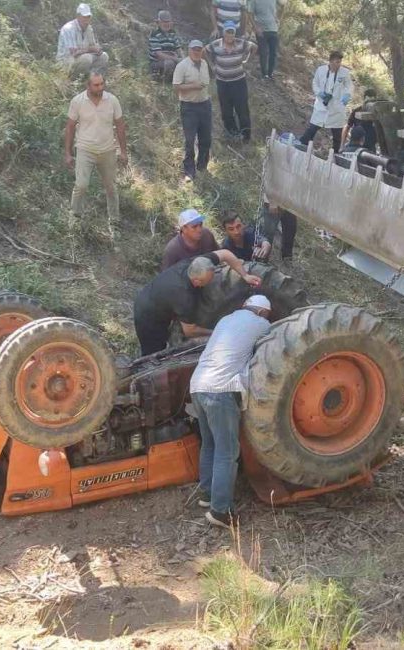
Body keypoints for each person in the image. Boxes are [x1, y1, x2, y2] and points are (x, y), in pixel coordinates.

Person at [190, 294, 273, 528]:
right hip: (221, 391)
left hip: (198, 385)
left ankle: (207, 496)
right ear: (262, 312)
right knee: (227, 452)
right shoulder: (261, 324)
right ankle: (221, 512)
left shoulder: (225, 320)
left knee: (210, 444)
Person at [133, 251, 262, 356]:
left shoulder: (199, 263)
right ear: (196, 281)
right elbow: (190, 331)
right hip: (147, 313)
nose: (212, 281)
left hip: (157, 293)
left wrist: (245, 275)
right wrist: (217, 331)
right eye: (208, 281)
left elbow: (225, 254)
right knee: (154, 354)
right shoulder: (184, 297)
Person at [65, 72, 127, 227]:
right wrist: (68, 153)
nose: (100, 87)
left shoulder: (112, 100)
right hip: (85, 149)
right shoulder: (78, 101)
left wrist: (123, 151)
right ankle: (75, 218)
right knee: (81, 185)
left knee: (111, 187)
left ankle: (114, 221)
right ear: (88, 85)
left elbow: (120, 125)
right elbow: (70, 127)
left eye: (102, 84)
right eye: (96, 85)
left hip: (107, 150)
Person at [207, 21, 256, 142]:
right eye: (228, 33)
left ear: (234, 33)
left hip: (238, 82)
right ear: (224, 33)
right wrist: (212, 65)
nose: (230, 35)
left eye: (232, 33)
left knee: (242, 108)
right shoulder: (216, 44)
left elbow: (254, 47)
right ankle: (232, 132)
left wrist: (247, 61)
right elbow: (205, 51)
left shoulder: (241, 43)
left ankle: (245, 136)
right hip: (222, 83)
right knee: (226, 109)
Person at [173, 41, 213, 182]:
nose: (197, 52)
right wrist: (193, 86)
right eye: (194, 49)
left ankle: (202, 166)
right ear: (189, 50)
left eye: (199, 49)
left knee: (206, 139)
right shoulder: (182, 66)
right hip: (189, 107)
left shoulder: (204, 64)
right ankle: (189, 171)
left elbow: (206, 84)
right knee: (190, 140)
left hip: (205, 105)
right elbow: (176, 87)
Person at [299, 51, 353, 155]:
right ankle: (303, 144)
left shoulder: (344, 72)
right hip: (322, 104)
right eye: (337, 62)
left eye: (340, 62)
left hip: (337, 106)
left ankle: (336, 153)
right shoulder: (321, 70)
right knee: (314, 126)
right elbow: (315, 83)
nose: (339, 64)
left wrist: (347, 95)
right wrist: (319, 93)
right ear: (331, 61)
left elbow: (349, 86)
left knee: (337, 131)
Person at [56, 3, 108, 75]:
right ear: (78, 16)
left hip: (81, 58)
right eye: (84, 16)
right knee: (87, 58)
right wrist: (89, 49)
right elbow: (74, 53)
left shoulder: (89, 28)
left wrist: (97, 50)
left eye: (88, 16)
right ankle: (74, 78)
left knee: (104, 56)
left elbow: (92, 45)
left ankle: (92, 78)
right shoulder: (69, 29)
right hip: (66, 61)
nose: (86, 19)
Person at [247, 0, 283, 80]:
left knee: (273, 53)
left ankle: (270, 74)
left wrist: (278, 19)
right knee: (263, 52)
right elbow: (250, 13)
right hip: (261, 29)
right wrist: (255, 27)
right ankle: (264, 74)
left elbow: (282, 5)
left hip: (273, 29)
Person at [148, 10, 183, 81]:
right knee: (170, 63)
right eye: (164, 22)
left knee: (185, 63)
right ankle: (161, 79)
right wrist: (175, 59)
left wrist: (183, 59)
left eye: (168, 22)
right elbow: (159, 54)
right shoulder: (154, 34)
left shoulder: (173, 34)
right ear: (159, 23)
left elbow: (179, 49)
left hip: (172, 59)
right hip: (157, 63)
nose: (167, 24)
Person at [342, 87, 377, 153]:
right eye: (368, 102)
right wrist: (342, 145)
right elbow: (347, 127)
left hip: (370, 147)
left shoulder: (378, 114)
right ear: (364, 99)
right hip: (355, 146)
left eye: (372, 102)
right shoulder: (357, 111)